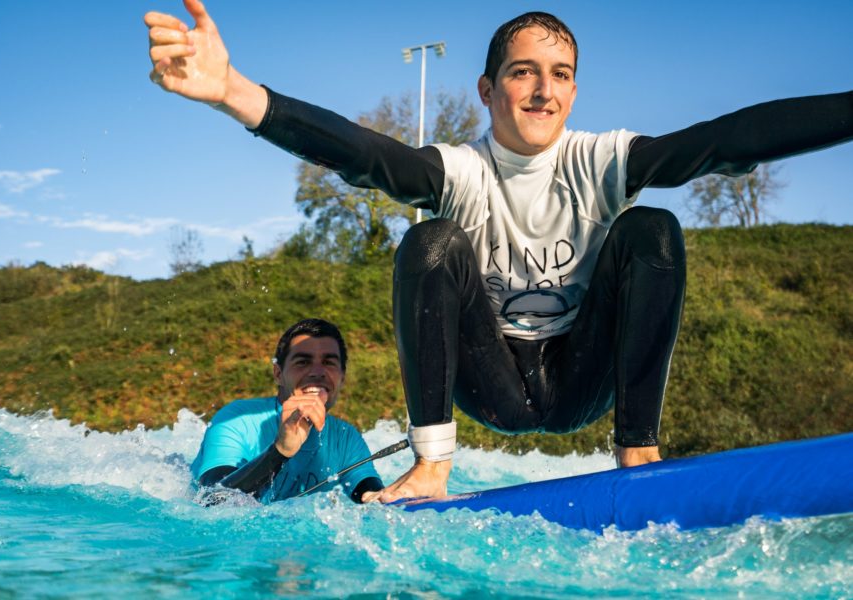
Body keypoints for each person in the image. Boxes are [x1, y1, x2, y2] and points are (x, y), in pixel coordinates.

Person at [147, 1, 853, 503]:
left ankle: (638, 449)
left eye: (561, 73)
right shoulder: (461, 171)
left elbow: (725, 143)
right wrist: (236, 94)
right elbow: (364, 154)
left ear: (575, 89)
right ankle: (432, 465)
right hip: (492, 382)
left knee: (653, 229)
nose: (543, 89)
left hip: (582, 377)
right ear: (487, 89)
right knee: (430, 241)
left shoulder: (603, 160)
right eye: (523, 72)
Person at [190, 318, 383, 504]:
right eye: (303, 362)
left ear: (342, 377)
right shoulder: (236, 419)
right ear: (278, 374)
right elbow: (211, 500)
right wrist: (280, 450)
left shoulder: (346, 438)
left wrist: (385, 497)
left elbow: (374, 498)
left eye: (329, 362)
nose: (317, 371)